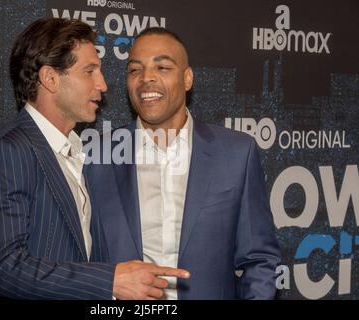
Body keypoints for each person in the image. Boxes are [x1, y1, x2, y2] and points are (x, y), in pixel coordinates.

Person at [0, 18, 190, 300]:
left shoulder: (78, 155)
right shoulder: (6, 151)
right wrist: (110, 281)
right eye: (89, 71)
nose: (103, 84)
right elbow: (1, 268)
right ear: (50, 78)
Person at [86, 27, 282, 299]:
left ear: (187, 78)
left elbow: (259, 259)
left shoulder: (237, 153)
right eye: (134, 70)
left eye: (162, 67)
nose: (146, 79)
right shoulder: (95, 155)